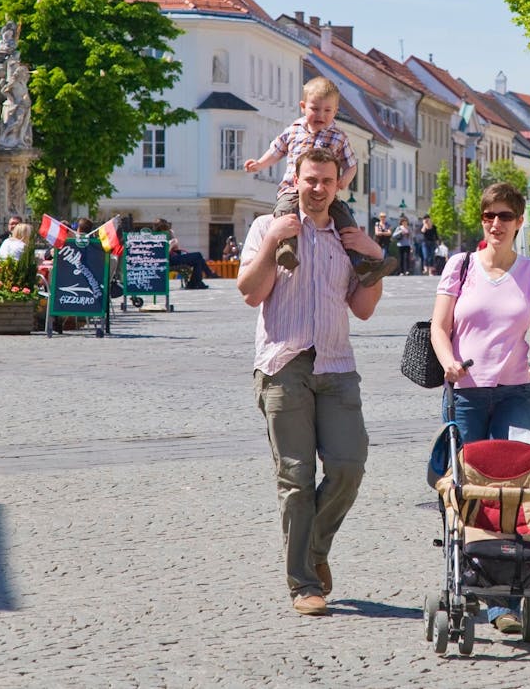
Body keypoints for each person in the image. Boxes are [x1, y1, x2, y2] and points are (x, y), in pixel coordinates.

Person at [238, 147, 387, 617]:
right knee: (296, 477)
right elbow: (250, 292)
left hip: (337, 365)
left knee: (349, 466)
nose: (318, 188)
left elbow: (363, 309)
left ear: (338, 184)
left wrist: (376, 257)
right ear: (295, 181)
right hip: (285, 364)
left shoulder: (347, 237)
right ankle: (303, 582)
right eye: (310, 180)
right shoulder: (269, 228)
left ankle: (313, 550)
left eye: (326, 181)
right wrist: (271, 243)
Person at [428, 182, 530, 636]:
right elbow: (440, 328)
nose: (495, 224)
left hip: (516, 392)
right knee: (469, 489)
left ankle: (504, 600)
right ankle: (474, 581)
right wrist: (449, 362)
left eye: (504, 216)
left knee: (515, 490)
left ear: (520, 221)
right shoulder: (460, 267)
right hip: (466, 393)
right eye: (488, 216)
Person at [244, 76, 395, 286]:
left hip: (327, 194)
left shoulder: (339, 136)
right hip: (291, 189)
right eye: (315, 109)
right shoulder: (294, 130)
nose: (321, 115)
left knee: (345, 219)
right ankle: (286, 249)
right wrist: (259, 164)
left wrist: (343, 180)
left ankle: (363, 263)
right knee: (285, 214)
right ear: (303, 107)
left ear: (335, 111)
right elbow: (276, 150)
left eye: (327, 110)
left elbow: (352, 164)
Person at [155, 218, 216, 289]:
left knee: (198, 260)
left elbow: (176, 247)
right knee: (198, 256)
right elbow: (164, 253)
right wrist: (171, 245)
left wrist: (173, 239)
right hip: (169, 259)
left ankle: (197, 282)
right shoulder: (158, 237)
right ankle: (202, 279)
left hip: (173, 257)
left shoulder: (166, 234)